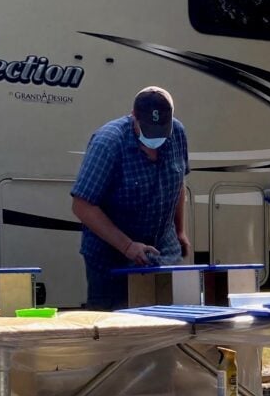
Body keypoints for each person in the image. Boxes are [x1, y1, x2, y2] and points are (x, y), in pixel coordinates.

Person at [71, 86, 191, 310]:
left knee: (169, 323)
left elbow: (178, 183)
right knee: (115, 330)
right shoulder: (108, 143)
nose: (155, 138)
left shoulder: (177, 133)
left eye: (161, 131)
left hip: (163, 249)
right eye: (148, 130)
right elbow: (82, 205)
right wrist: (127, 246)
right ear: (134, 116)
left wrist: (179, 230)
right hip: (112, 257)